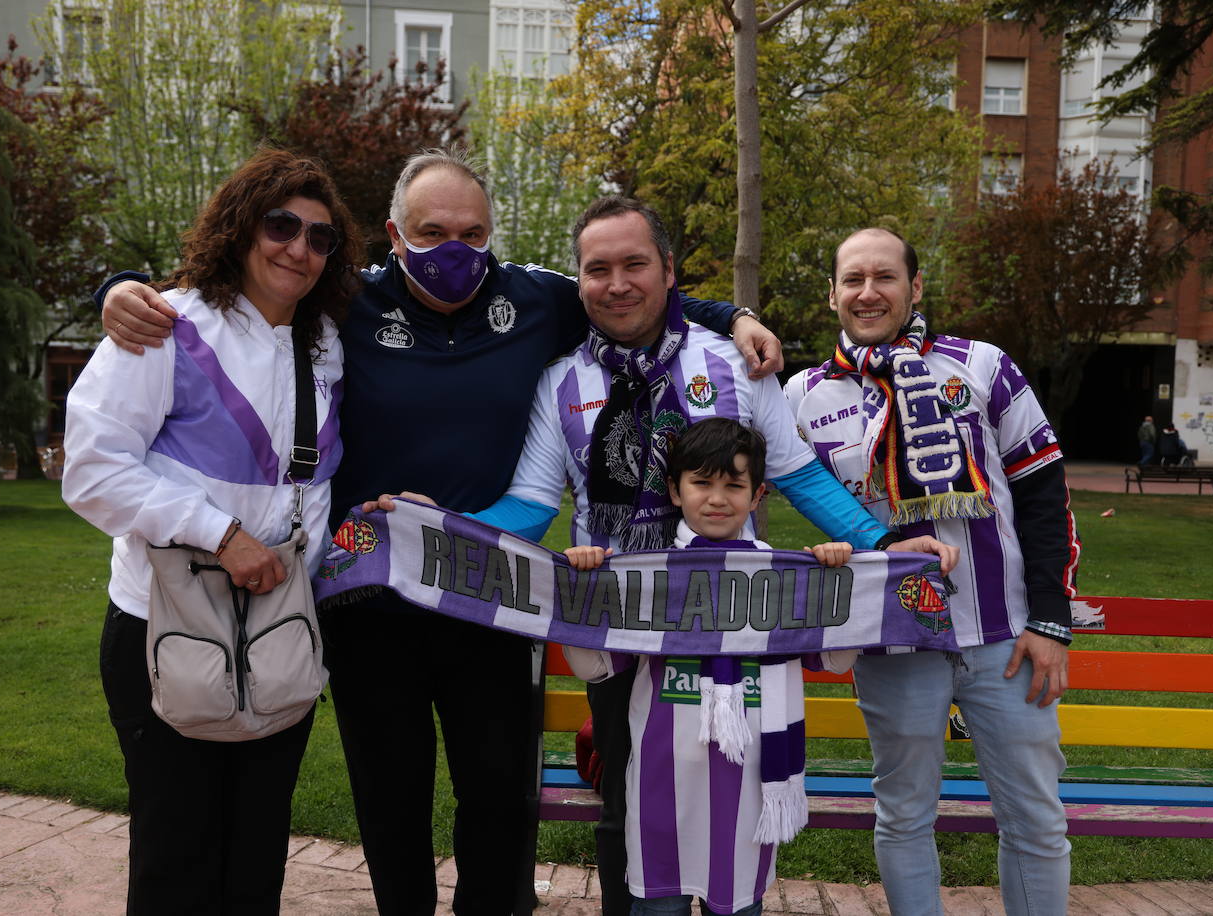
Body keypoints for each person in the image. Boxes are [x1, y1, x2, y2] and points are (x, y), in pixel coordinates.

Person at [96, 148, 783, 916]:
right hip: (370, 602)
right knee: (390, 806)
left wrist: (738, 316)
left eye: (472, 232)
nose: (453, 250)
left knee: (500, 801)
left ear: (494, 233)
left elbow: (636, 299)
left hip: (493, 598)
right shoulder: (341, 299)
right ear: (394, 233)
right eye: (431, 232)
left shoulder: (536, 298)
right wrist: (116, 290)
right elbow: (231, 292)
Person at [370, 197, 954, 915]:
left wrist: (887, 546)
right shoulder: (561, 383)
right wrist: (445, 529)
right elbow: (530, 504)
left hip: (735, 618)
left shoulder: (735, 365)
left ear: (669, 271)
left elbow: (801, 474)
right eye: (598, 269)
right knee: (630, 810)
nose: (617, 283)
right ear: (579, 281)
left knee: (734, 797)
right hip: (621, 624)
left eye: (634, 264)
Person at [62, 149, 363, 914]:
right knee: (175, 857)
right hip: (167, 626)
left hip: (282, 629)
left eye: (320, 237)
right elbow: (92, 470)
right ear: (239, 227)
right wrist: (219, 533)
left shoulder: (327, 341)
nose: (298, 248)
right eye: (281, 225)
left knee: (257, 858)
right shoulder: (168, 324)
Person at [783, 227, 1079, 916]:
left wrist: (1050, 620)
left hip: (1006, 635)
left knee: (1035, 818)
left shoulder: (983, 366)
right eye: (852, 279)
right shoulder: (802, 395)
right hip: (892, 642)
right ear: (832, 294)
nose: (868, 292)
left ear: (915, 288)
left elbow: (1043, 494)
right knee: (905, 815)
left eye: (884, 277)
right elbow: (744, 489)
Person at [562, 418, 854, 916]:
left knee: (739, 907)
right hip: (662, 783)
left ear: (757, 495)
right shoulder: (649, 576)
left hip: (753, 788)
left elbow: (836, 656)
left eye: (734, 485)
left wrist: (835, 579)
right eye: (702, 483)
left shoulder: (784, 579)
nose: (717, 498)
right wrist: (580, 594)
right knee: (658, 907)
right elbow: (594, 667)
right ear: (675, 491)